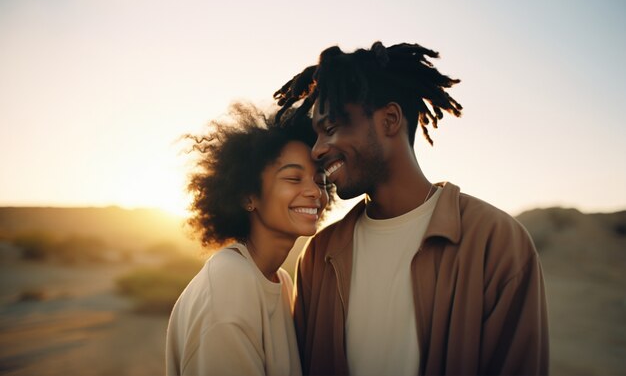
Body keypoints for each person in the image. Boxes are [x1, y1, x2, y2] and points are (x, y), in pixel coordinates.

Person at [273, 42, 549, 376]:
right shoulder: (319, 255)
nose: (316, 151)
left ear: (389, 119)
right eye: (315, 136)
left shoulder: (496, 242)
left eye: (330, 129)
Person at [166, 103, 332, 376]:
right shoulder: (230, 284)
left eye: (321, 180)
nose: (315, 191)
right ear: (248, 197)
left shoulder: (280, 280)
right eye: (293, 177)